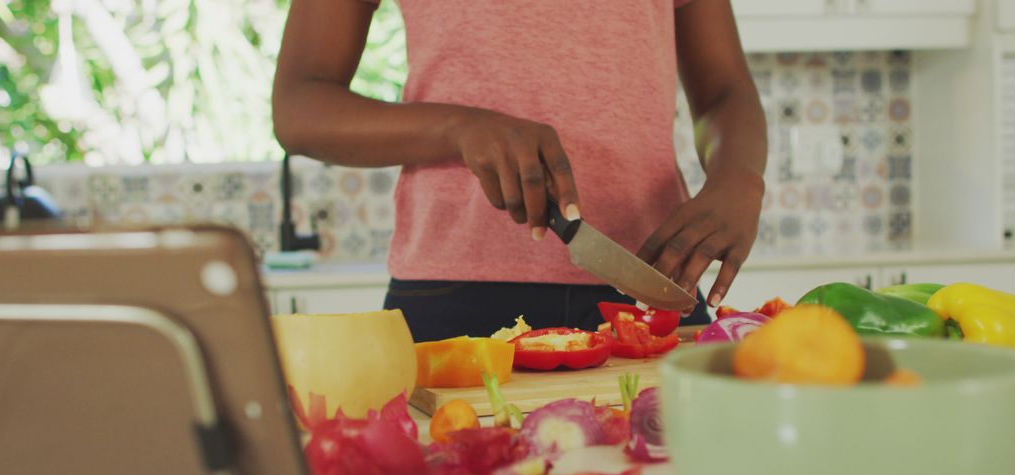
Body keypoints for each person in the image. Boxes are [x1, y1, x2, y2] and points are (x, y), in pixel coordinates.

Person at [272, 0, 767, 342]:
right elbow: (299, 106)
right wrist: (459, 127)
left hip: (651, 282)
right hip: (454, 291)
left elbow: (725, 93)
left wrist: (740, 178)